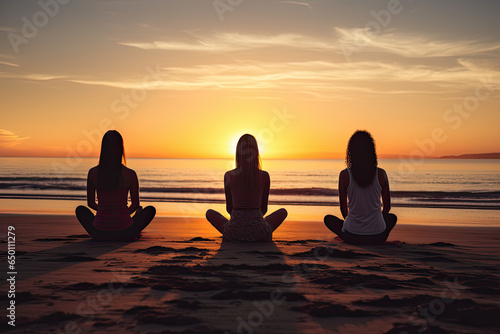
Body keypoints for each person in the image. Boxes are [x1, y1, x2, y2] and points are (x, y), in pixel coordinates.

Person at [75, 130, 155, 241]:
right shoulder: (130, 174)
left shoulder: (93, 173)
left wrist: (107, 212)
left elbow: (91, 203)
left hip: (99, 232)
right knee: (150, 210)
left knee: (80, 210)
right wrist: (120, 215)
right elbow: (135, 204)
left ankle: (104, 228)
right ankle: (129, 226)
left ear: (103, 149)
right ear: (121, 148)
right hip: (125, 232)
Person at [206, 134, 287, 241]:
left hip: (233, 233)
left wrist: (242, 220)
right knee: (283, 212)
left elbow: (229, 209)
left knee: (210, 213)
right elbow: (264, 209)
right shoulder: (264, 176)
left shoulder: (229, 175)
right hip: (261, 233)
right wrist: (252, 219)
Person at [324, 130, 397, 245]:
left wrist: (354, 225)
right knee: (392, 218)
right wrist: (375, 225)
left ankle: (345, 235)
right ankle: (372, 233)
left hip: (352, 236)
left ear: (351, 152)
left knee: (328, 219)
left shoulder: (344, 175)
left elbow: (343, 210)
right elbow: (387, 207)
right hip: (378, 237)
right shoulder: (381, 174)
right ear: (371, 151)